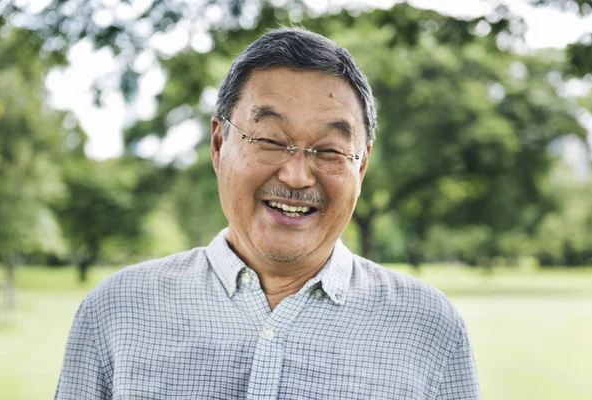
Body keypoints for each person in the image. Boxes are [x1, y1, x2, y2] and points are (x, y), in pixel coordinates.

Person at [55, 27, 481, 399]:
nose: (296, 176)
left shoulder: (430, 329)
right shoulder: (117, 311)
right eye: (270, 140)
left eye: (330, 150)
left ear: (361, 165)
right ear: (219, 144)